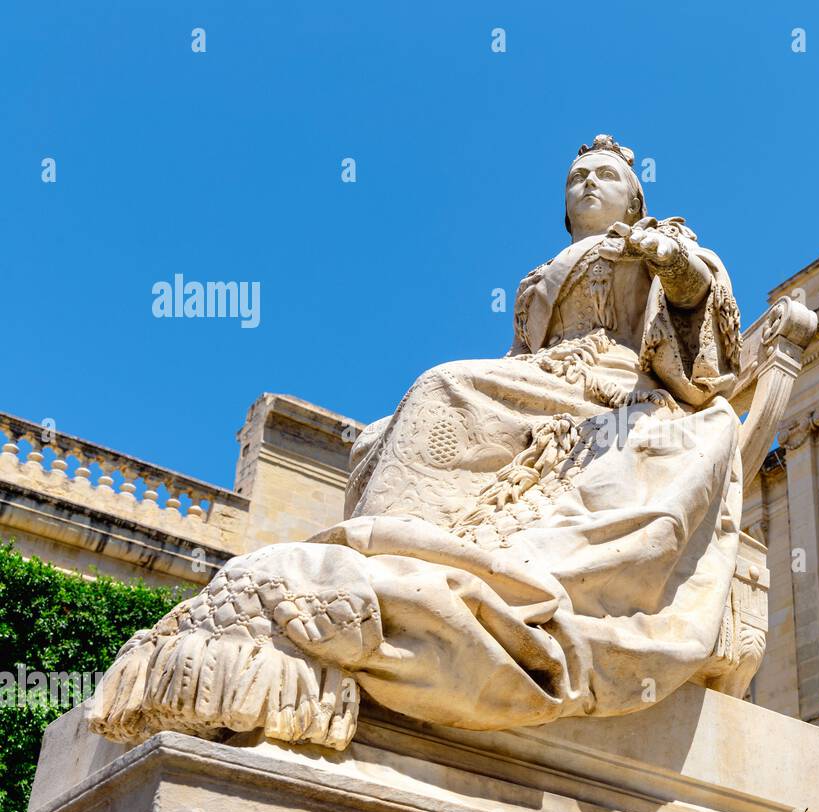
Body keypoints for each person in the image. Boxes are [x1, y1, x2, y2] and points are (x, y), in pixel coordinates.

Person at [89, 135, 744, 750]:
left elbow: (698, 338)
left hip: (608, 389)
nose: (586, 183)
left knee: (445, 385)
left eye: (604, 176)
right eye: (576, 177)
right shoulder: (544, 270)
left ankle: (401, 551)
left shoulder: (656, 240)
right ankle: (406, 545)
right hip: (534, 384)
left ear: (634, 197)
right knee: (392, 424)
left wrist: (678, 269)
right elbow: (521, 354)